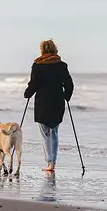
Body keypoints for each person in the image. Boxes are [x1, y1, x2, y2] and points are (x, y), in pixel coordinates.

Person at [24, 39, 74, 172]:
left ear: (42, 50)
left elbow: (34, 83)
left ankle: (49, 162)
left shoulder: (37, 65)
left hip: (43, 102)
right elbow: (69, 84)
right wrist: (67, 96)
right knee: (54, 132)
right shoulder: (61, 65)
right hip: (57, 100)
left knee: (45, 133)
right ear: (54, 49)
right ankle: (53, 163)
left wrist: (27, 93)